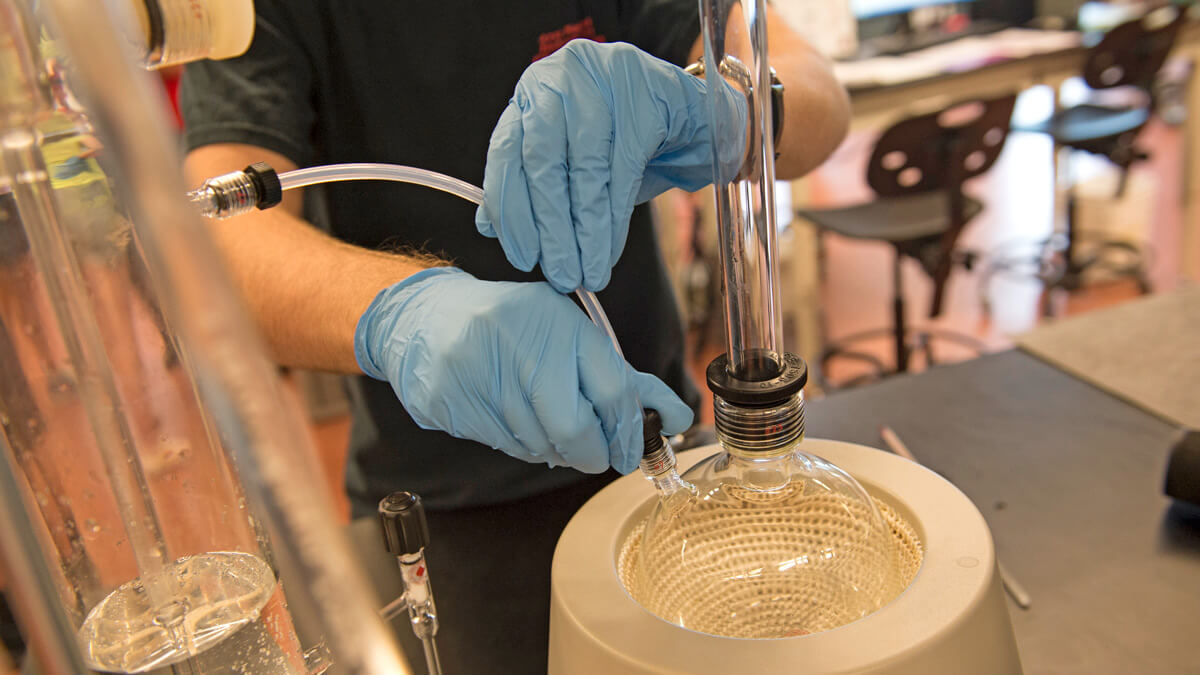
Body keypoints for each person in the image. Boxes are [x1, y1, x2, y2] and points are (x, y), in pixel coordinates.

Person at [180, 1, 848, 671]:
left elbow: (819, 94)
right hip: (445, 507)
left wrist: (732, 110)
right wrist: (404, 314)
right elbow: (210, 250)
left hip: (648, 456)